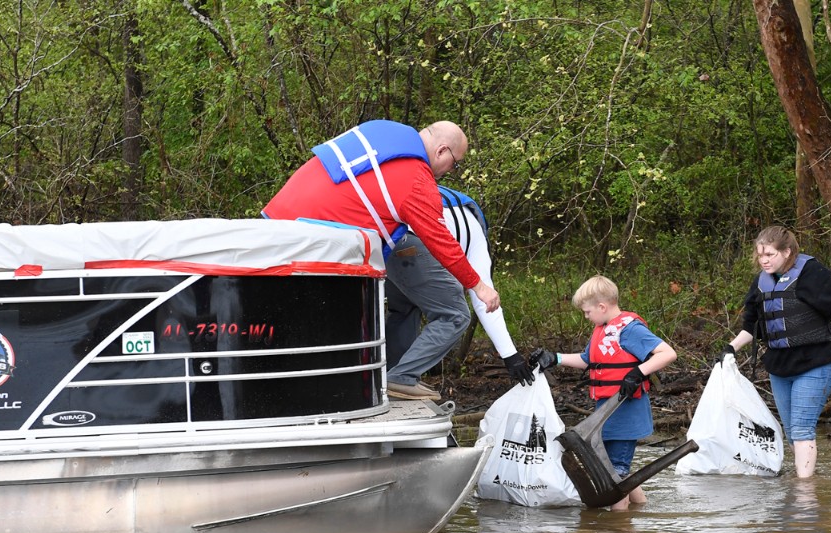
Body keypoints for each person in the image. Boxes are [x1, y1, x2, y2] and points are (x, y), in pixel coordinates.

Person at [262, 119, 501, 400]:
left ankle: (381, 375)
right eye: (455, 163)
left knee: (403, 302)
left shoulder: (384, 131)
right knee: (456, 313)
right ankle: (401, 377)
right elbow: (441, 241)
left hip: (279, 225)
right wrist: (479, 287)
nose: (451, 171)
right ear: (441, 151)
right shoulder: (416, 179)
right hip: (315, 247)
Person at [718, 225, 831, 478]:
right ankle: (805, 478)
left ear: (787, 252)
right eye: (760, 255)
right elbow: (751, 327)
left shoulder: (811, 273)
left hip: (815, 362)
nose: (764, 260)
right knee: (793, 432)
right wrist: (731, 348)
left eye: (770, 255)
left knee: (802, 429)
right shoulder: (760, 283)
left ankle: (804, 494)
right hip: (780, 367)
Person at [529, 275, 678, 509]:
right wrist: (554, 358)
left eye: (587, 312)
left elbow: (668, 353)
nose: (586, 317)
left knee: (614, 474)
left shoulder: (630, 329)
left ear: (602, 306)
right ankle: (642, 512)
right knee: (614, 468)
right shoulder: (603, 329)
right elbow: (587, 359)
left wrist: (638, 372)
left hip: (626, 412)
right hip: (606, 411)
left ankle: (617, 532)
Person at [385, 186, 533, 397]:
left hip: (384, 237)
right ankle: (401, 378)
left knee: (404, 310)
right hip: (414, 241)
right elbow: (485, 299)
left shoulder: (441, 202)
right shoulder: (475, 235)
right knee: (454, 315)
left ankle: (385, 380)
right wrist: (511, 356)